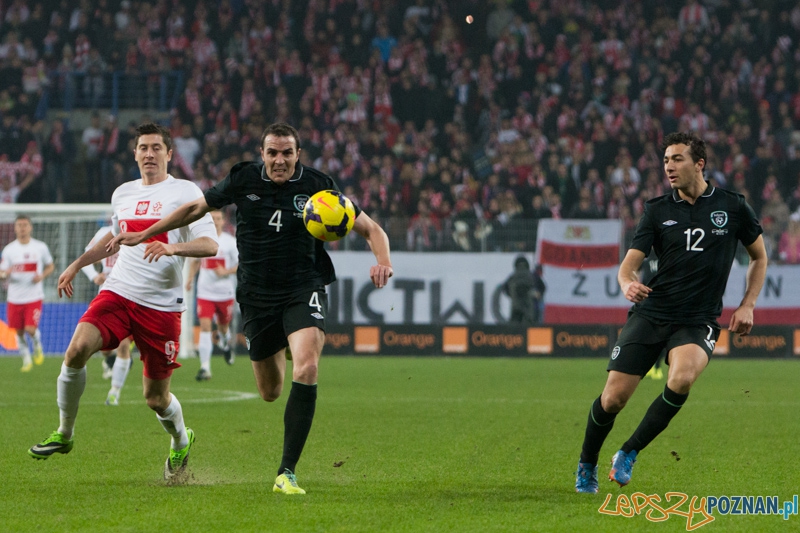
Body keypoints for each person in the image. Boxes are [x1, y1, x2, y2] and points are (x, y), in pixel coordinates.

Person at [108, 122, 393, 495]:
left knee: (307, 366)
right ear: (262, 154)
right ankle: (289, 343)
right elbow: (195, 208)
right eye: (272, 153)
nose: (279, 160)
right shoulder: (243, 179)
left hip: (302, 286)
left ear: (298, 155)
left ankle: (286, 472)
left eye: (287, 153)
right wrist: (147, 233)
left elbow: (372, 229)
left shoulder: (318, 187)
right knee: (271, 391)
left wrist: (382, 261)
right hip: (256, 296)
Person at [574, 132, 768, 493]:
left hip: (697, 320)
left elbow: (759, 256)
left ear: (699, 164)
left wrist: (748, 304)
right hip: (652, 312)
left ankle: (629, 452)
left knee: (680, 380)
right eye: (665, 160)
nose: (668, 166)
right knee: (613, 398)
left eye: (676, 159)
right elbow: (627, 266)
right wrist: (627, 283)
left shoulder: (733, 206)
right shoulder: (657, 209)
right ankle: (586, 464)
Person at [28, 123, 219, 485]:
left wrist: (172, 247)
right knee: (76, 351)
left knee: (155, 398)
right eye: (143, 148)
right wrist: (76, 264)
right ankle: (64, 434)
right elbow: (113, 240)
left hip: (161, 306)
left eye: (156, 148)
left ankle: (181, 439)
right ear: (134, 154)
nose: (149, 153)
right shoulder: (123, 194)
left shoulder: (185, 191)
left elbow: (210, 245)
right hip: (119, 292)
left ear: (169, 154)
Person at [80, 223, 133, 404]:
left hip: (131, 296)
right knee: (103, 346)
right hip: (107, 294)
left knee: (124, 345)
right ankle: (109, 360)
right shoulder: (105, 232)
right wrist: (94, 276)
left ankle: (114, 393)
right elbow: (88, 255)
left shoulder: (139, 231)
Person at [185, 210, 238, 381]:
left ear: (224, 221)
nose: (215, 221)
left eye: (218, 218)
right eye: (212, 218)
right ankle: (205, 367)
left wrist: (226, 271)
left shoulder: (230, 242)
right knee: (205, 327)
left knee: (223, 327)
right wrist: (190, 279)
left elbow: (240, 264)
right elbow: (195, 261)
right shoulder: (203, 240)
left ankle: (225, 342)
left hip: (224, 292)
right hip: (205, 292)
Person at [0, 215, 54, 371]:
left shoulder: (40, 247)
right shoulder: (9, 250)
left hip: (33, 296)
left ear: (30, 227)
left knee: (30, 329)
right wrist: (6, 273)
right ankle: (26, 360)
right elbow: (1, 273)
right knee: (19, 331)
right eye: (19, 225)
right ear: (15, 228)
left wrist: (42, 276)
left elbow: (50, 266)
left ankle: (37, 345)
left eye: (25, 225)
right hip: (14, 297)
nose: (22, 228)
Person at [501, 255, 541, 326]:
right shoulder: (532, 276)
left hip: (516, 306)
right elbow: (542, 287)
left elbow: (504, 288)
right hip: (529, 307)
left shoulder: (512, 277)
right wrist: (536, 296)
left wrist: (512, 295)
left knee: (515, 329)